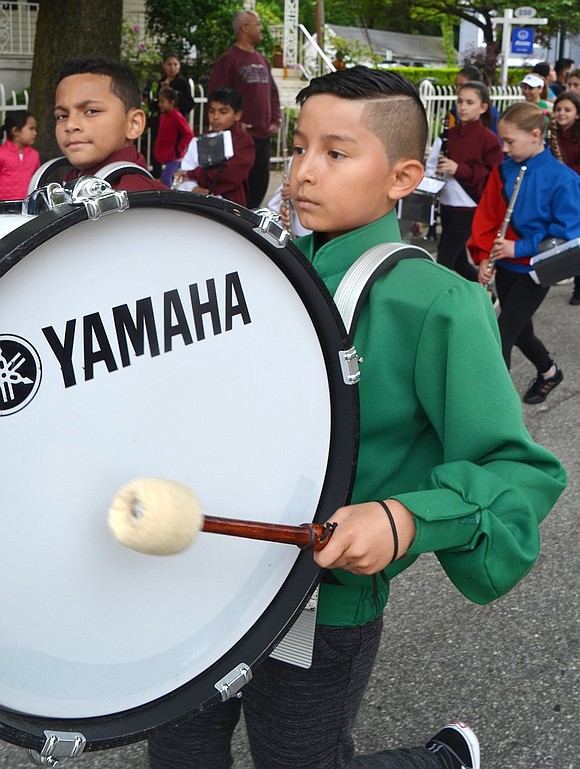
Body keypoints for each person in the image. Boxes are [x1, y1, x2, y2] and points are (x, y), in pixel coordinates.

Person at [148, 66, 566, 769]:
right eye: (299, 146)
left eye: (336, 154)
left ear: (404, 178)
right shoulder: (252, 271)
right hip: (203, 577)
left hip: (325, 605)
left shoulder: (437, 301)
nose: (303, 172)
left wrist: (403, 516)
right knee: (179, 749)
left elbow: (519, 472)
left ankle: (441, 760)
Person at [468, 101, 580, 403]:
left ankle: (496, 410)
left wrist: (521, 246)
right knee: (520, 332)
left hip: (536, 270)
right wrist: (482, 258)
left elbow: (570, 234)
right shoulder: (503, 172)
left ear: (534, 135)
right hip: (504, 265)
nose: (503, 149)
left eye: (509, 141)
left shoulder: (563, 178)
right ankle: (549, 371)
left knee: (501, 334)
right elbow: (487, 218)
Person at [425, 81, 503, 280]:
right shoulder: (447, 135)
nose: (463, 107)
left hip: (469, 206)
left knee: (444, 260)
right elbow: (430, 170)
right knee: (458, 260)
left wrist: (459, 169)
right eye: (460, 101)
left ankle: (439, 305)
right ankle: (484, 294)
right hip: (447, 203)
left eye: (470, 102)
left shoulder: (489, 139)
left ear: (483, 107)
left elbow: (494, 178)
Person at [54, 56, 168, 191]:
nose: (70, 125)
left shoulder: (149, 202)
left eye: (91, 111)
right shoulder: (65, 185)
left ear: (134, 124)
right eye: (62, 116)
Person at [208, 9, 281, 209]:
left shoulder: (261, 59)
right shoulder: (229, 59)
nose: (261, 29)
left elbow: (273, 94)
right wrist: (234, 123)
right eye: (257, 24)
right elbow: (218, 96)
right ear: (245, 28)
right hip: (239, 138)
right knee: (238, 191)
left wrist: (274, 120)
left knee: (259, 184)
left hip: (262, 136)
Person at [173, 86, 255, 206]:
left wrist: (194, 174)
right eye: (211, 111)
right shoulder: (199, 140)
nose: (215, 117)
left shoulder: (243, 141)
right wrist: (194, 188)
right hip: (199, 203)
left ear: (237, 115)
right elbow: (185, 173)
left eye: (223, 112)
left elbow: (229, 174)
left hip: (232, 205)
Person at [145, 52, 195, 178]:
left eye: (175, 64)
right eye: (169, 64)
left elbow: (189, 103)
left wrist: (173, 96)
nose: (172, 68)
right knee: (158, 151)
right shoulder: (160, 82)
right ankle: (156, 177)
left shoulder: (183, 83)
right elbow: (156, 104)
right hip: (161, 123)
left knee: (170, 167)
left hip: (175, 125)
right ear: (163, 66)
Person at [552, 90, 580, 304]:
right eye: (559, 109)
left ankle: (578, 287)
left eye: (567, 110)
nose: (562, 113)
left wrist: (566, 172)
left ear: (577, 114)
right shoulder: (552, 134)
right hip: (560, 192)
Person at [153, 87, 194, 188]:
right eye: (159, 102)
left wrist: (179, 148)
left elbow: (188, 134)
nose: (160, 104)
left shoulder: (177, 116)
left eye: (163, 102)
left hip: (174, 155)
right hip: (167, 154)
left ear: (172, 102)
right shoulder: (163, 116)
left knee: (166, 178)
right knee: (167, 177)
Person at [0, 110, 39, 199]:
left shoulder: (34, 155)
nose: (35, 133)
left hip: (27, 207)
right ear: (16, 131)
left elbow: (37, 180)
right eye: (31, 128)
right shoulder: (1, 154)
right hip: (4, 208)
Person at [450, 66, 499, 134]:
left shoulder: (492, 113)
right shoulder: (455, 110)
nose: (458, 90)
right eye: (456, 85)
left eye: (462, 85)